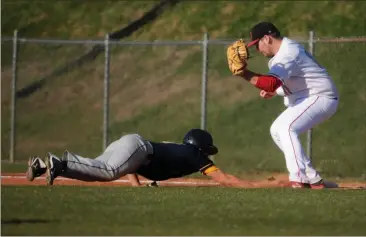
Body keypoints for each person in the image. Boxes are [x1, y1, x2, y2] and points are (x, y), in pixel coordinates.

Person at [234, 22, 339, 189]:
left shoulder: (288, 53)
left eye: (257, 44)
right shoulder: (282, 54)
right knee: (276, 130)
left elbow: (269, 83)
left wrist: (244, 73)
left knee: (286, 128)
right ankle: (313, 179)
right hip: (307, 96)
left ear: (267, 39)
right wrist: (276, 91)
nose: (257, 49)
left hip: (321, 96)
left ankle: (298, 178)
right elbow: (293, 80)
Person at [26, 128, 254, 188]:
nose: (207, 155)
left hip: (133, 146)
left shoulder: (180, 151)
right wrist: (253, 185)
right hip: (138, 147)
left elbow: (131, 166)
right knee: (107, 171)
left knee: (98, 169)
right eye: (207, 150)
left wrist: (136, 187)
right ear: (201, 147)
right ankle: (59, 162)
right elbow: (223, 179)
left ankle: (45, 166)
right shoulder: (193, 155)